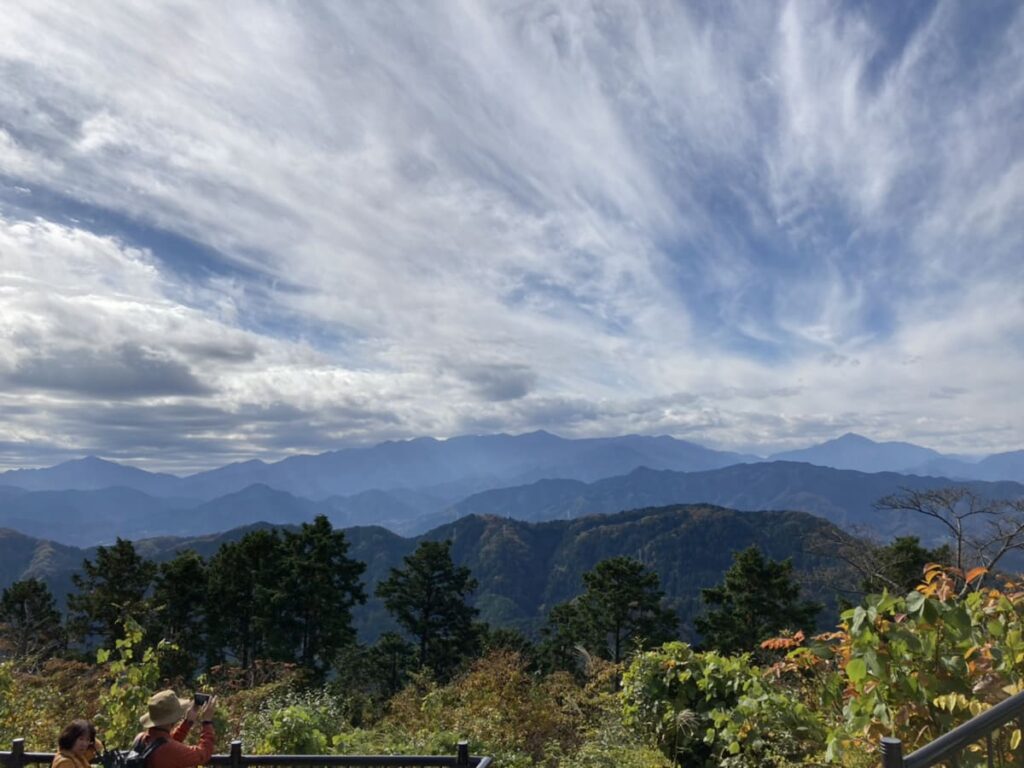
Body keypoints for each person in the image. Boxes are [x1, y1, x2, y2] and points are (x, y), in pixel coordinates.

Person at [131, 690, 216, 768]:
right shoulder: (169, 750)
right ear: (172, 719)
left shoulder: (141, 739)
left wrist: (187, 723)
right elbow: (203, 754)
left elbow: (163, 744)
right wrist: (207, 722)